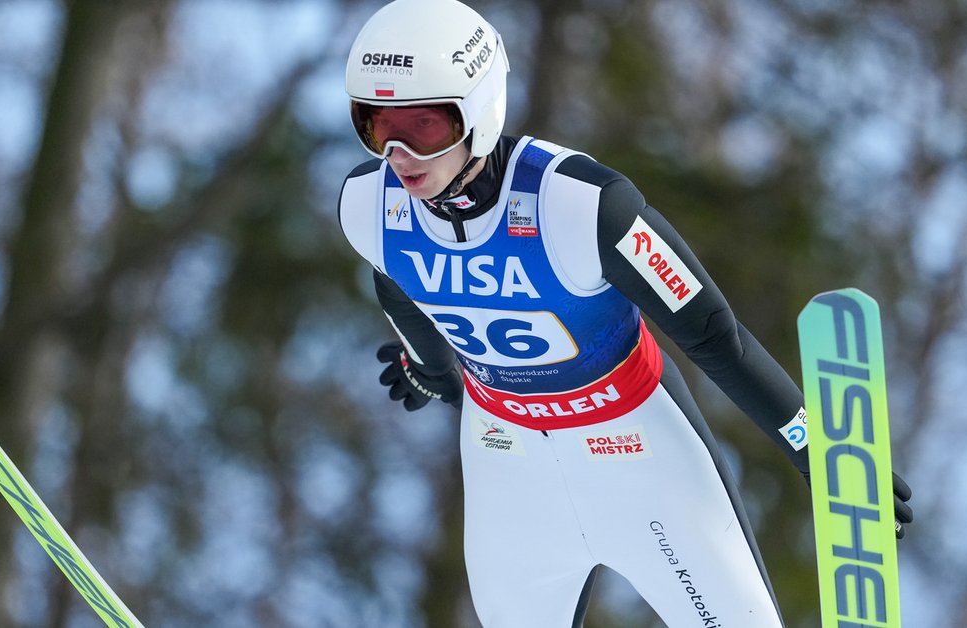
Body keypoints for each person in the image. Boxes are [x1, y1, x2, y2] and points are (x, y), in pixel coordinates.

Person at [335, 1, 913, 626]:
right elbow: (397, 283)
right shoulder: (368, 206)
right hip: (508, 466)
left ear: (478, 110)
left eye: (423, 127)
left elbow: (714, 336)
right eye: (376, 126)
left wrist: (820, 452)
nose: (399, 154)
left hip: (639, 457)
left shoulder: (582, 205)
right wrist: (431, 369)